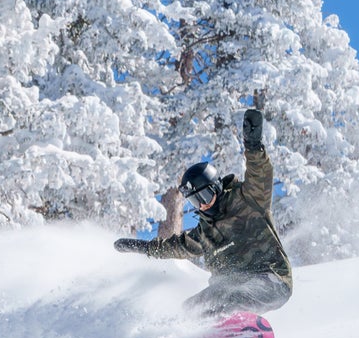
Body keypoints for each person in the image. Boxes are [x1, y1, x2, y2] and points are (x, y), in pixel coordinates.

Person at [114, 109, 292, 318]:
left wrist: (253, 145)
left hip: (271, 280)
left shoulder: (248, 200)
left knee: (233, 299)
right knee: (190, 309)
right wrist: (143, 247)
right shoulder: (203, 234)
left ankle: (230, 325)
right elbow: (175, 247)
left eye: (205, 196)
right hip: (229, 287)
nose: (203, 205)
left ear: (216, 187)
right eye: (194, 201)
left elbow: (259, 173)